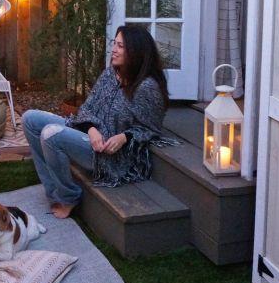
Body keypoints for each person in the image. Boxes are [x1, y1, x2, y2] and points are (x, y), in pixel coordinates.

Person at [22, 25, 169, 219]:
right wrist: (91, 129)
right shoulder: (110, 74)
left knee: (51, 134)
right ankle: (53, 192)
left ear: (136, 51)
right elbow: (87, 108)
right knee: (30, 119)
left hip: (111, 155)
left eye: (121, 46)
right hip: (89, 136)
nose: (114, 50)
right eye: (114, 44)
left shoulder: (146, 87)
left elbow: (152, 128)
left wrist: (124, 137)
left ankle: (68, 197)